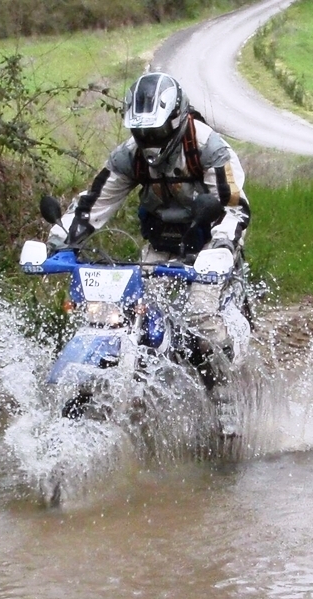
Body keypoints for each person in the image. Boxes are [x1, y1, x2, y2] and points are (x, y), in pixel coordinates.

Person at [47, 72, 250, 398]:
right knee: (130, 310)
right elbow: (93, 203)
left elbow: (234, 208)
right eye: (141, 131)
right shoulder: (130, 156)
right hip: (161, 243)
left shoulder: (209, 148)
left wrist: (224, 244)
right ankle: (145, 386)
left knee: (200, 315)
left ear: (175, 120)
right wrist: (59, 239)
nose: (148, 138)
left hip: (210, 244)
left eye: (154, 130)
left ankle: (224, 391)